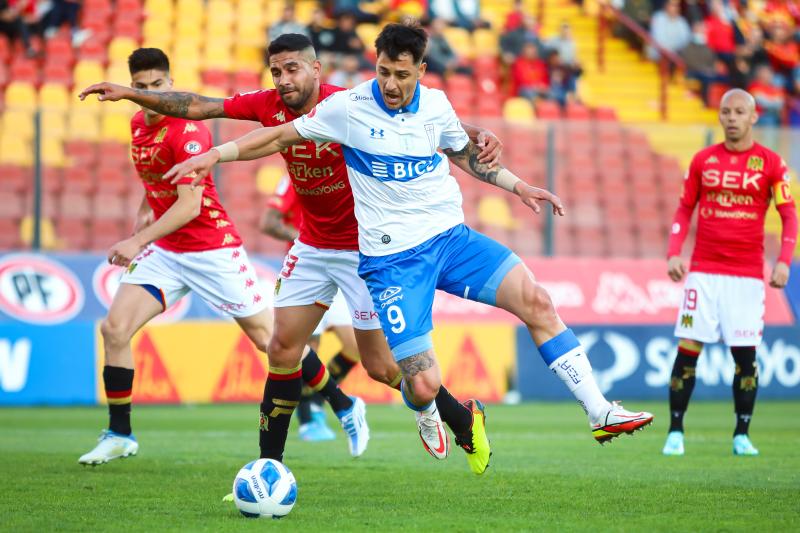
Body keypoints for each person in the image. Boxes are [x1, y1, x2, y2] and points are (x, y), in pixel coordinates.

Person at [163, 23, 656, 471]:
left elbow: (463, 153)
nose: (392, 84)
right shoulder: (348, 109)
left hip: (451, 239)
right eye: (383, 72)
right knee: (419, 383)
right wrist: (213, 155)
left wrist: (518, 185)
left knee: (538, 301)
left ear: (421, 69)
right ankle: (430, 413)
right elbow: (275, 137)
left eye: (401, 74)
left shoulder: (437, 105)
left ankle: (599, 412)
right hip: (392, 261)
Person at [79, 33, 503, 473]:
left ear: (315, 69)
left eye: (292, 69)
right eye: (276, 71)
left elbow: (422, 124)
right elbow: (201, 105)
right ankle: (269, 467)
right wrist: (129, 94)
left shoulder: (347, 104)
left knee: (379, 367)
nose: (283, 79)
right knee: (281, 349)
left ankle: (457, 415)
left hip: (366, 251)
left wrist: (473, 132)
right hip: (313, 245)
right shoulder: (266, 105)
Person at [77, 48, 366, 466]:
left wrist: (136, 242)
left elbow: (189, 206)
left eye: (156, 86)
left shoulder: (189, 132)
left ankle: (341, 403)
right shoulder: (138, 123)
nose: (147, 94)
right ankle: (119, 433)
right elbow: (161, 180)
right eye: (140, 87)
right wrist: (146, 207)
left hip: (212, 249)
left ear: (170, 83)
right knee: (114, 329)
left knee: (274, 344)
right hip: (167, 249)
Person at [663, 88, 798, 457]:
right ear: (720, 117)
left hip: (747, 276)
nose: (732, 118)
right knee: (688, 352)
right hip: (704, 272)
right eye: (726, 112)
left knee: (745, 357)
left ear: (754, 117)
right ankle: (675, 432)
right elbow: (683, 209)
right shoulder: (703, 160)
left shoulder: (771, 164)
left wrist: (784, 260)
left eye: (740, 112)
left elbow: (788, 215)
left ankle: (742, 435)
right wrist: (674, 253)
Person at [261, 176, 361, 442]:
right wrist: (309, 238)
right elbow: (269, 221)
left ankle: (319, 399)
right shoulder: (296, 176)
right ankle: (308, 419)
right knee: (306, 350)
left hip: (341, 269)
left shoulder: (345, 169)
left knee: (355, 346)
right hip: (307, 275)